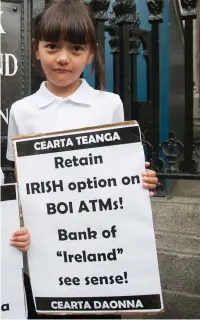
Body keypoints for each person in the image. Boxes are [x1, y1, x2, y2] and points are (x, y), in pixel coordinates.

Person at [6, 0, 158, 318]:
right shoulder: (22, 110)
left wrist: (141, 182)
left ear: (90, 54)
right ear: (36, 50)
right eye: (52, 46)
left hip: (98, 254)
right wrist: (17, 224)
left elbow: (119, 175)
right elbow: (19, 180)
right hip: (44, 253)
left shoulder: (109, 106)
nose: (63, 58)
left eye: (76, 48)